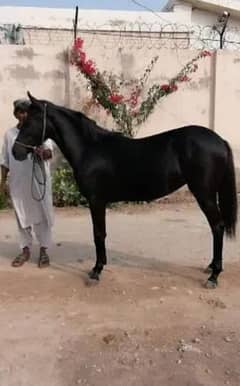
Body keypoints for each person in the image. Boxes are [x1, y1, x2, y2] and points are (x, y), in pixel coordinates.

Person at [0, 98, 54, 268]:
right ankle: (25, 250)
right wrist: (2, 183)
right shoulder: (9, 135)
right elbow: (5, 161)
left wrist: (41, 152)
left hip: (39, 183)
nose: (23, 115)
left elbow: (49, 153)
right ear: (15, 114)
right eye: (20, 112)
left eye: (26, 112)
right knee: (21, 217)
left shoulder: (40, 131)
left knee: (43, 216)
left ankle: (44, 251)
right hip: (18, 184)